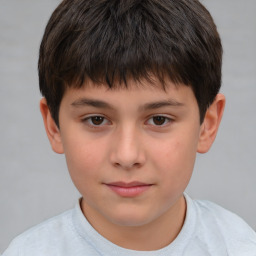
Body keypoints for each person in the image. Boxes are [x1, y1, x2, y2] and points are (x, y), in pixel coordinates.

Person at [2, 0, 256, 255]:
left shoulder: (239, 247)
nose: (127, 156)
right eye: (96, 120)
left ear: (207, 125)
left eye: (159, 120)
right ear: (54, 126)